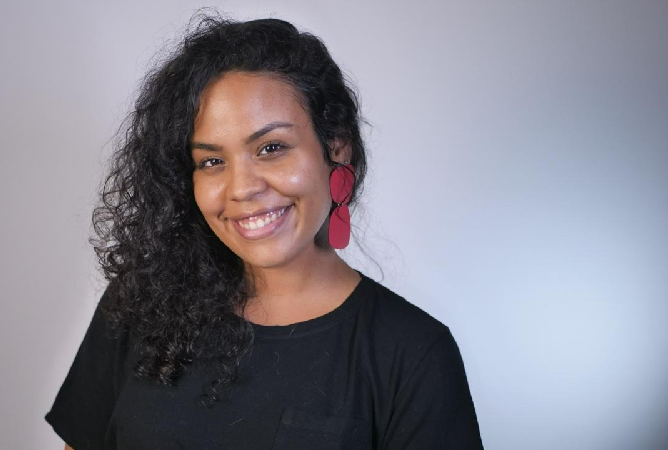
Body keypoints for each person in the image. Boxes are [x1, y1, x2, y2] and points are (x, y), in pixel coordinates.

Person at [46, 14, 483, 450]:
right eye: (212, 161)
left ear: (336, 150)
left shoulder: (414, 354)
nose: (241, 188)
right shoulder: (139, 305)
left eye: (271, 148)